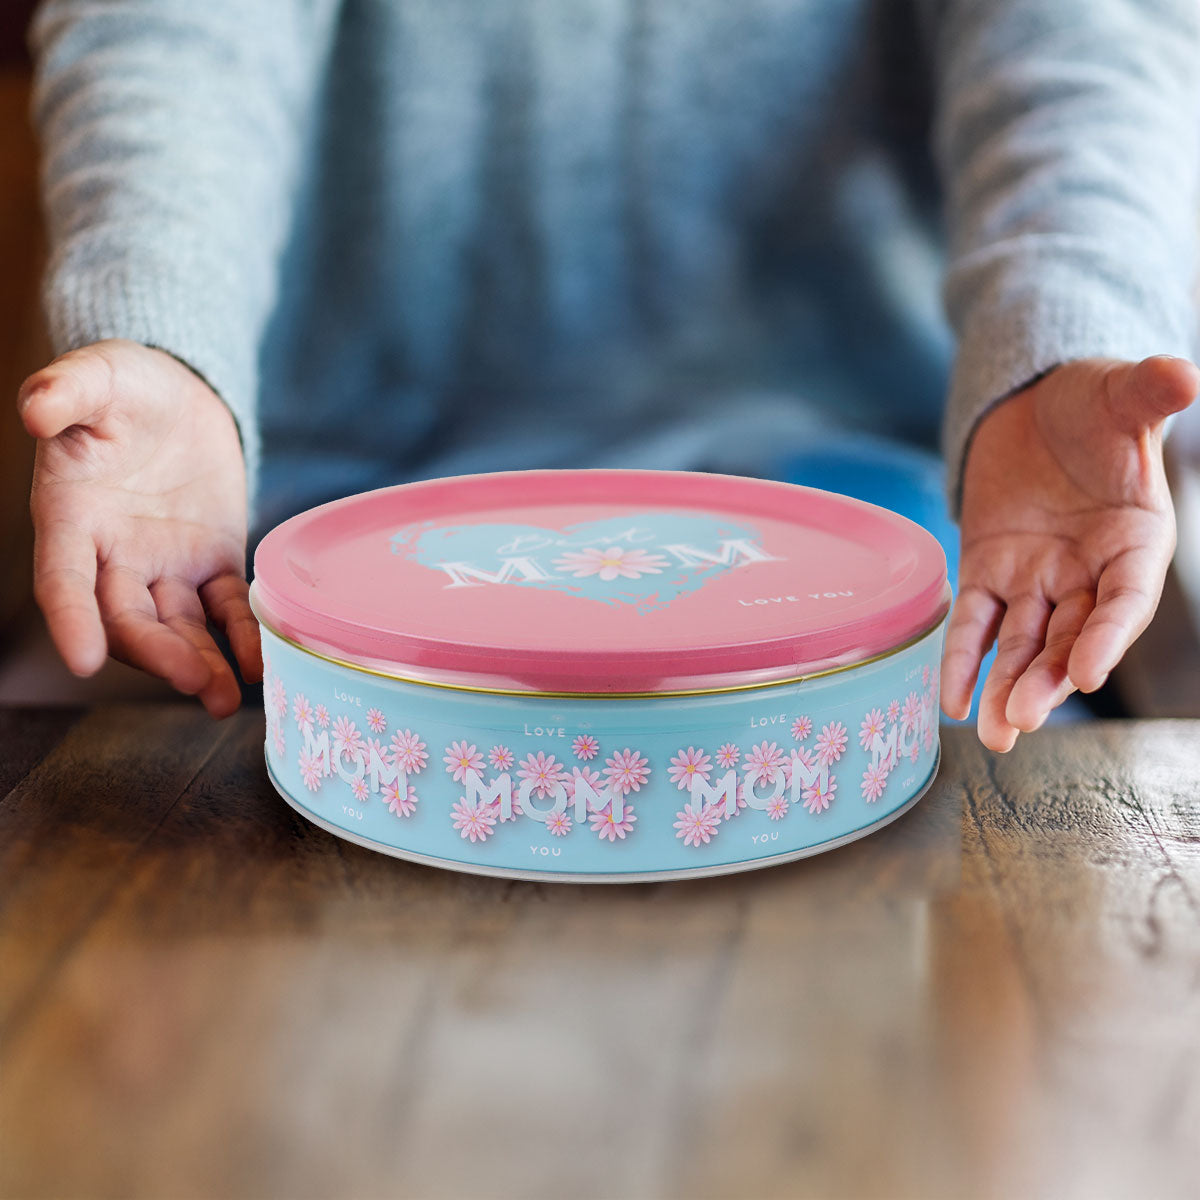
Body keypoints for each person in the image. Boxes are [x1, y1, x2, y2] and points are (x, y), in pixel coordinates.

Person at [16, 0, 1200, 752]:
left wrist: (1062, 334)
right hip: (302, 555)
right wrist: (170, 339)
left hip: (895, 541)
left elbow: (1079, 46)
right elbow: (182, 31)